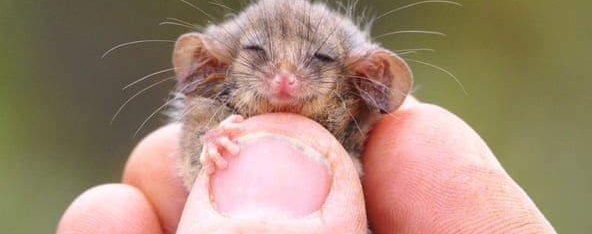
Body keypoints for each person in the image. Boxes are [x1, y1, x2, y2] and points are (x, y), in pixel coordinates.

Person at [57, 97, 557, 234]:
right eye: (258, 54)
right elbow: (190, 161)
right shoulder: (210, 114)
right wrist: (211, 143)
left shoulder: (365, 127)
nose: (285, 79)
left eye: (315, 59)